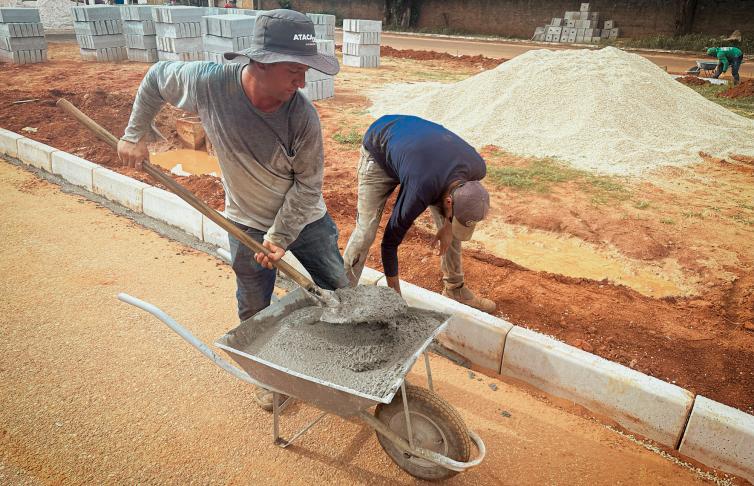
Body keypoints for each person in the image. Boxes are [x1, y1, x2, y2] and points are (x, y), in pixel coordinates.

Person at [117, 9, 349, 410]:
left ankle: (350, 362)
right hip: (245, 221)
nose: (303, 80)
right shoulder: (209, 84)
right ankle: (266, 372)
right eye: (295, 69)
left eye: (306, 70)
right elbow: (156, 77)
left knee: (338, 292)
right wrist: (133, 134)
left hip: (305, 220)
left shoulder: (302, 117)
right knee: (253, 303)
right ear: (260, 62)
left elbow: (308, 186)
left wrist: (279, 237)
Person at [343, 115, 496, 313]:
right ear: (448, 201)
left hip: (419, 157)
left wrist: (449, 226)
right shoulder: (421, 189)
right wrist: (396, 297)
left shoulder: (477, 169)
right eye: (452, 213)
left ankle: (454, 289)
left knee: (452, 230)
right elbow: (389, 243)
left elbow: (454, 206)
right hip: (380, 149)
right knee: (366, 232)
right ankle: (342, 296)